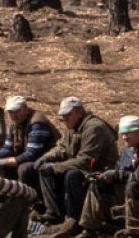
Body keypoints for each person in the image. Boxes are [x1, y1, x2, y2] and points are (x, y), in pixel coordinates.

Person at [32, 96, 118, 231]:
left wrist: (55, 167)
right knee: (45, 170)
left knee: (72, 175)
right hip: (82, 167)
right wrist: (45, 158)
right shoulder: (73, 127)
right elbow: (61, 148)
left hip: (100, 173)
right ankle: (54, 215)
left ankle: (75, 222)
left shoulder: (94, 128)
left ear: (79, 112)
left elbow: (86, 161)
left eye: (68, 115)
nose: (65, 119)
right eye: (63, 116)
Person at [0, 93, 59, 192]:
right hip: (31, 159)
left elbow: (32, 154)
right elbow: (8, 148)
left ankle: (31, 198)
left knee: (24, 168)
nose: (14, 115)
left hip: (47, 160)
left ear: (25, 108)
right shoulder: (14, 125)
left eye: (17, 111)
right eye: (11, 112)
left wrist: (4, 161)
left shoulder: (37, 123)